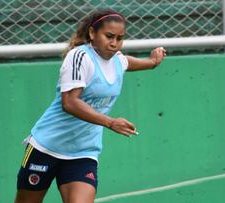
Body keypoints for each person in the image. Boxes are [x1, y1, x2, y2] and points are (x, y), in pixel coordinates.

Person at [14, 8, 166, 203]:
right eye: (109, 36)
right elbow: (69, 102)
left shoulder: (118, 60)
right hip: (46, 148)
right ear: (92, 33)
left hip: (83, 153)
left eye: (120, 38)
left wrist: (153, 62)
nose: (114, 43)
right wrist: (110, 122)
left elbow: (128, 62)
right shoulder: (80, 57)